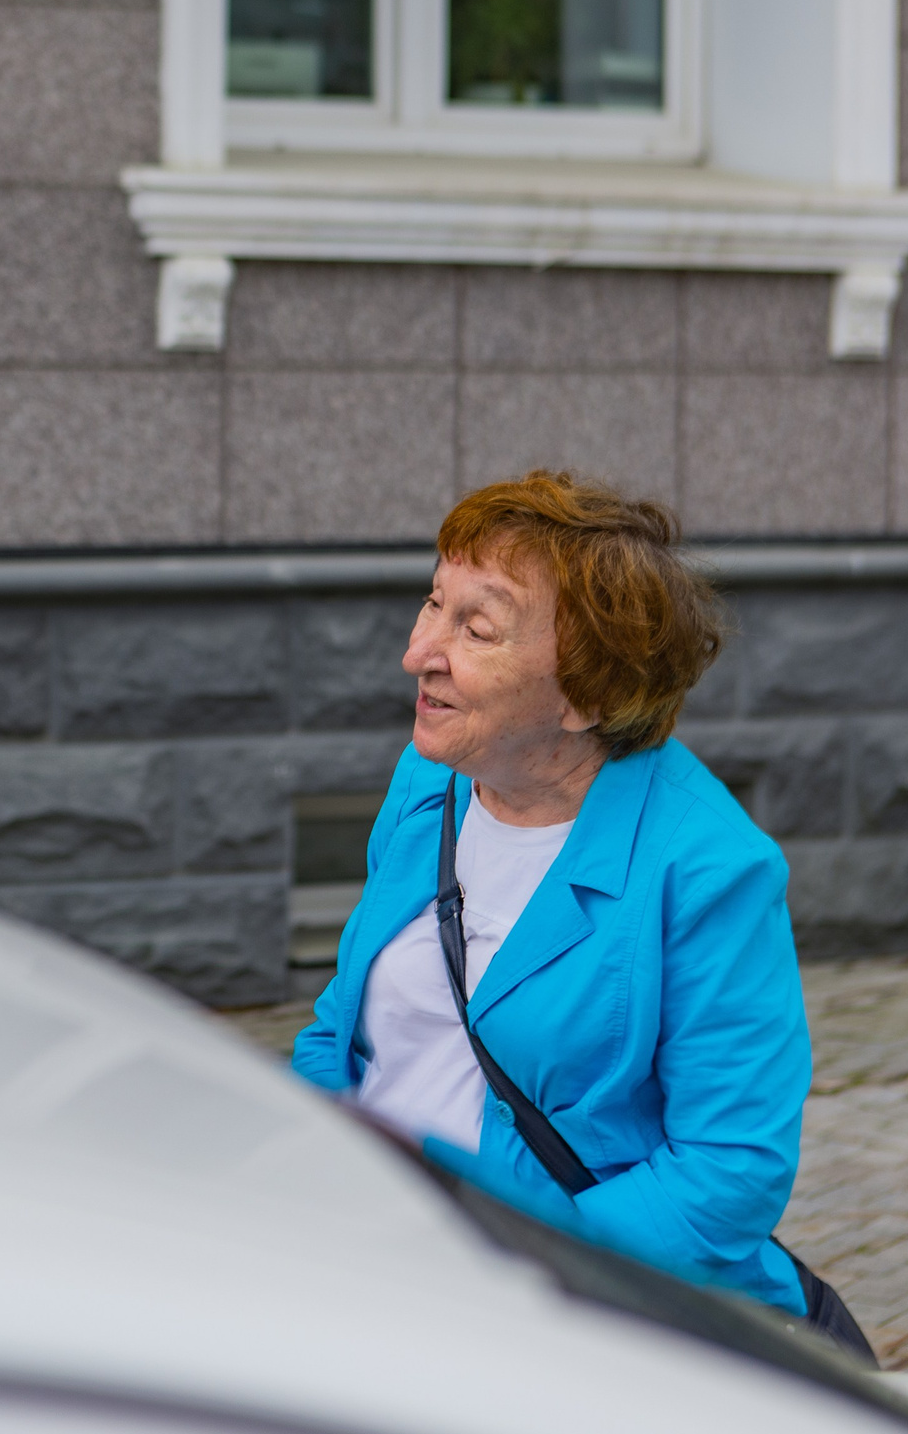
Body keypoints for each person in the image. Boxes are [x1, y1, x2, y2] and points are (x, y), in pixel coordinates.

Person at [293, 471, 822, 1324]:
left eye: (478, 626)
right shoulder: (432, 781)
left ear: (590, 695)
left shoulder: (706, 869)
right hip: (374, 1268)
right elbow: (338, 1030)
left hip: (559, 1308)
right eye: (434, 603)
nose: (420, 651)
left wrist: (520, 1282)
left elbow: (729, 1170)